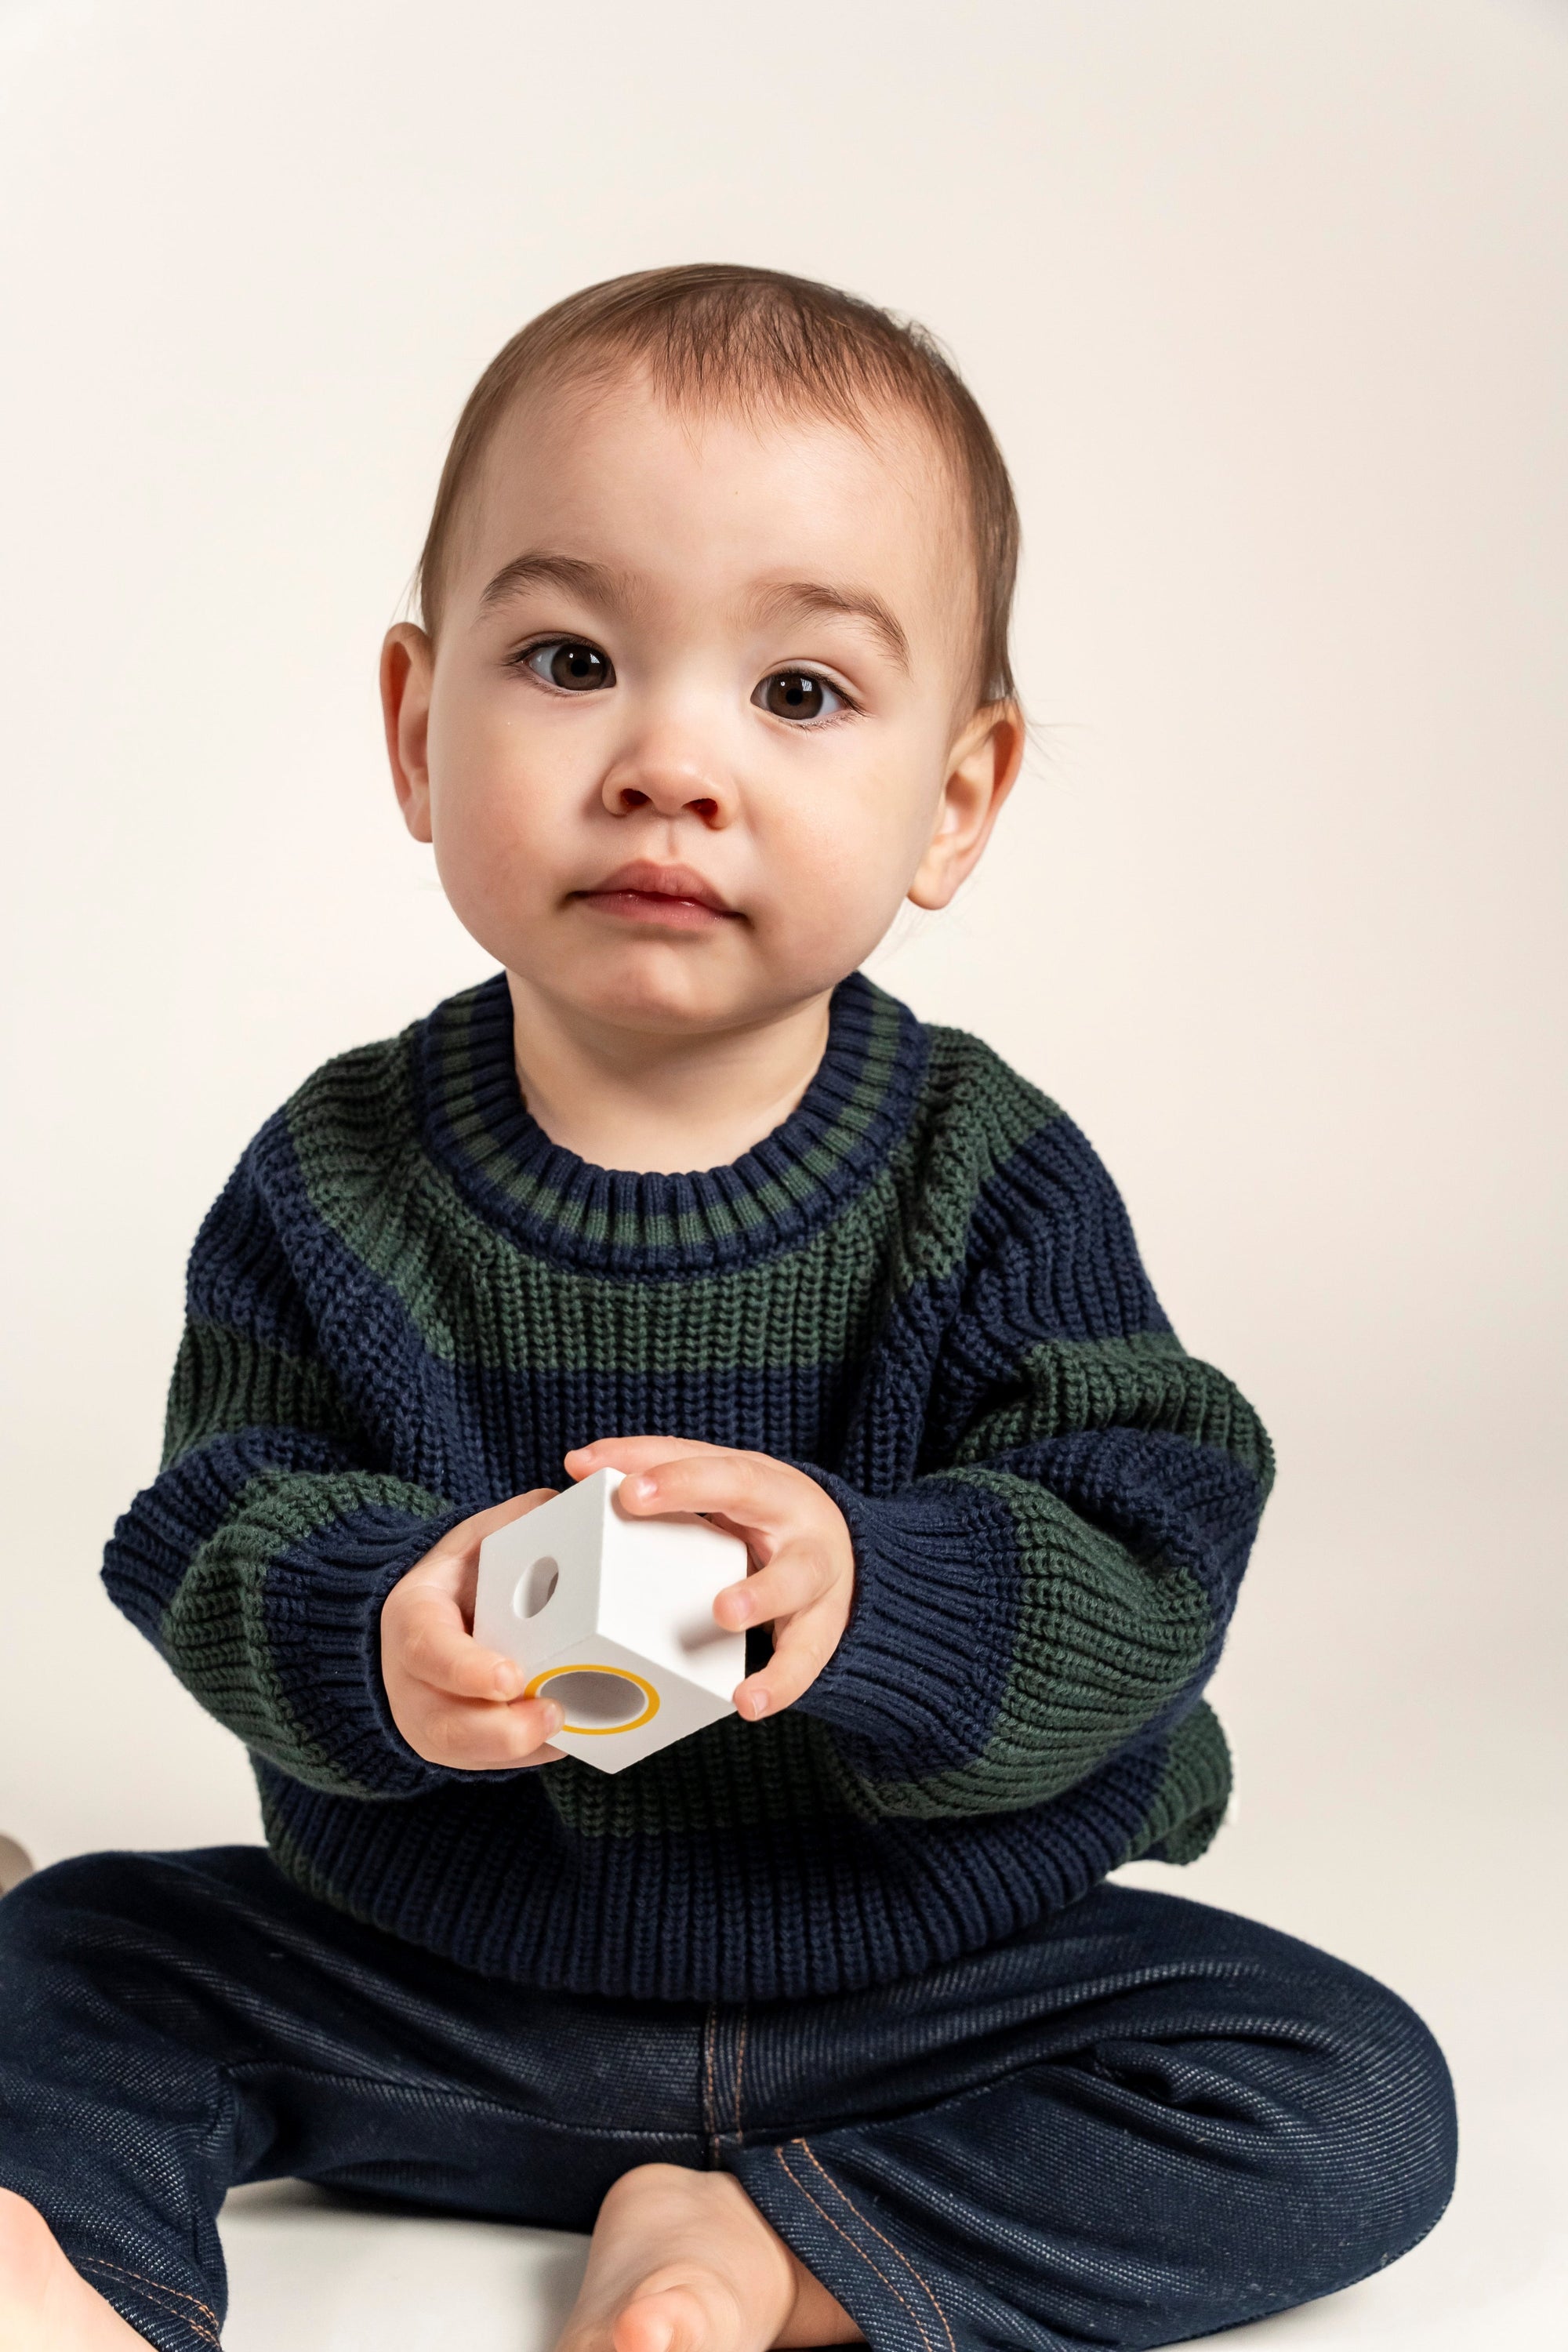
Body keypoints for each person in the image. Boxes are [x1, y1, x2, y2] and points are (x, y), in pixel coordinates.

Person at [0, 265, 1455, 2352]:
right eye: (574, 657)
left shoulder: (987, 1170)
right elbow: (215, 1515)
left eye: (798, 694)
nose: (672, 760)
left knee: (1352, 2104)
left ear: (956, 797)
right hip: (452, 1988)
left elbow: (1152, 1538)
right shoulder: (339, 1176)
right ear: (422, 728)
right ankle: (83, 2289)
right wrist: (383, 1627)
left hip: (912, 1991)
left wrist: (883, 1589)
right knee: (70, 1956)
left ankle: (778, 2244)